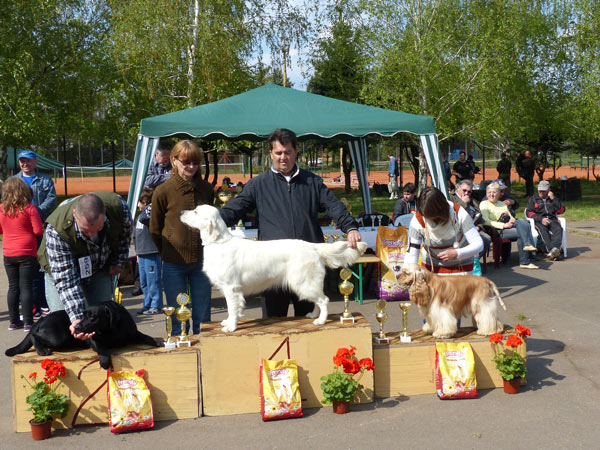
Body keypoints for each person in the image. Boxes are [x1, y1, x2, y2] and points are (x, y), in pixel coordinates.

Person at [219, 128, 361, 318]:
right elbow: (234, 208)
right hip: (271, 268)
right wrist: (211, 220)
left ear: (296, 153)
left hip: (306, 264)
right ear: (271, 154)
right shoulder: (258, 185)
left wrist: (350, 227)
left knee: (309, 328)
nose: (283, 157)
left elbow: (334, 206)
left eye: (287, 152)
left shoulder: (313, 182)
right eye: (278, 153)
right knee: (273, 327)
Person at [38, 192, 133, 339]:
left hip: (99, 267)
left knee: (102, 323)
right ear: (75, 214)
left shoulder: (119, 208)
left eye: (98, 229)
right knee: (66, 325)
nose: (91, 235)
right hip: (62, 272)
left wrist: (118, 260)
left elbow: (125, 233)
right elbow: (67, 282)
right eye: (85, 230)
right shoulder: (57, 231)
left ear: (104, 214)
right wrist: (77, 318)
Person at [150, 140, 214, 335]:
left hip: (202, 263)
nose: (191, 167)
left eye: (195, 163)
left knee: (203, 318)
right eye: (186, 162)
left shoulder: (206, 189)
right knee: (178, 319)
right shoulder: (163, 191)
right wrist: (168, 252)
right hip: (173, 263)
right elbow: (155, 228)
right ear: (174, 160)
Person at [13, 150, 57, 318]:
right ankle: (27, 304)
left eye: (28, 161)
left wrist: (35, 212)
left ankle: (42, 301)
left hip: (39, 229)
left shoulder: (45, 180)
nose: (25, 164)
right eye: (22, 161)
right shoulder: (13, 181)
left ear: (35, 162)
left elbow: (51, 199)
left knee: (41, 266)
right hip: (21, 231)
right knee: (23, 269)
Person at [405, 186, 483, 275]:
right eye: (428, 217)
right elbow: (412, 253)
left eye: (435, 217)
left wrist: (457, 253)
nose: (432, 220)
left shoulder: (459, 213)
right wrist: (410, 272)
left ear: (442, 209)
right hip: (432, 268)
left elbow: (478, 244)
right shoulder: (417, 220)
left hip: (462, 267)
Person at [0, 178, 43, 331]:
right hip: (26, 251)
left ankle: (13, 321)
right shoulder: (30, 208)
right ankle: (28, 322)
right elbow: (38, 231)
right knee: (26, 286)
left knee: (13, 287)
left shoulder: (2, 208)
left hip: (9, 251)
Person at [480, 182, 538, 269]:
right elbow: (486, 221)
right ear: (486, 193)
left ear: (499, 194)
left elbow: (510, 216)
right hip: (496, 230)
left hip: (508, 227)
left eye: (494, 192)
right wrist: (504, 225)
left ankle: (527, 248)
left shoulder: (502, 204)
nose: (491, 194)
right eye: (489, 192)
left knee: (521, 222)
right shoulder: (484, 204)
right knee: (521, 232)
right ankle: (525, 260)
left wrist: (512, 220)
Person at [134, 187, 163, 315]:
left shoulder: (150, 212)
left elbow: (146, 219)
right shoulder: (141, 214)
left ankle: (156, 305)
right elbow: (136, 236)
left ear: (145, 202)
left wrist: (150, 206)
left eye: (140, 202)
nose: (138, 205)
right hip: (142, 253)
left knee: (153, 281)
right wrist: (137, 253)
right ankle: (147, 303)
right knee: (144, 282)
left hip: (152, 252)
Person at [526, 180, 565, 261]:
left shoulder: (553, 199)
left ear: (549, 190)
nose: (541, 192)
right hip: (539, 221)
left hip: (552, 220)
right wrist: (541, 219)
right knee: (543, 231)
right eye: (540, 190)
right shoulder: (533, 199)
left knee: (558, 229)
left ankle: (555, 250)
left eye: (544, 191)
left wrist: (554, 199)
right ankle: (552, 251)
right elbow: (529, 213)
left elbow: (561, 210)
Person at [451, 179, 490, 258]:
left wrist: (479, 226)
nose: (466, 193)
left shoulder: (472, 200)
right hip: (457, 229)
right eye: (464, 190)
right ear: (458, 188)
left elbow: (480, 215)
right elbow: (452, 213)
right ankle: (466, 261)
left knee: (486, 239)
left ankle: (474, 261)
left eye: (469, 192)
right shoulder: (451, 198)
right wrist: (463, 203)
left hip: (472, 228)